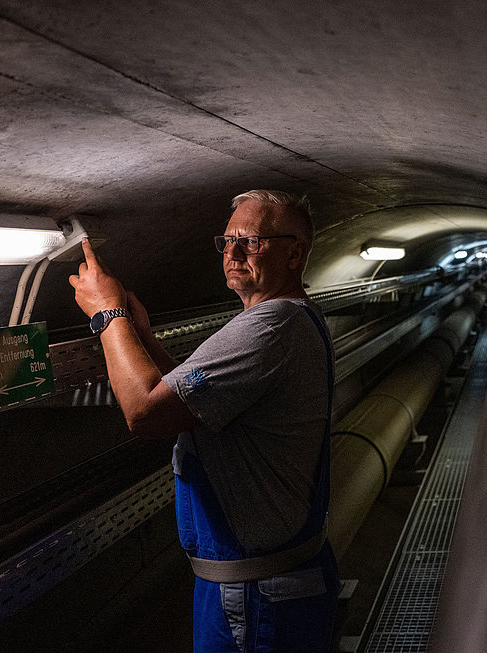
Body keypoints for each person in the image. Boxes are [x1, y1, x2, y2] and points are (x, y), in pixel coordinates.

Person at [68, 189, 337, 652]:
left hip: (256, 598)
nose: (232, 253)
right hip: (263, 580)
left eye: (251, 242)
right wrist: (143, 339)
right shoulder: (290, 319)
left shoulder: (269, 326)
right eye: (227, 240)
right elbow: (195, 402)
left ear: (295, 253)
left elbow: (147, 414)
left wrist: (107, 315)